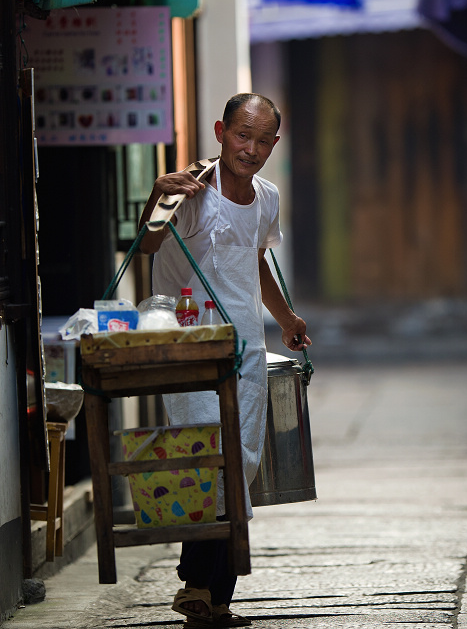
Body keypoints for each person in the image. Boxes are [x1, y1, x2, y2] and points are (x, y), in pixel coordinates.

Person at [137, 93, 311, 627]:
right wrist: (154, 196)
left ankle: (213, 599)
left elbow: (256, 263)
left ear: (274, 144)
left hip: (246, 351)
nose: (250, 148)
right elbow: (146, 246)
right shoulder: (191, 191)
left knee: (240, 467)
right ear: (220, 130)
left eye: (262, 140)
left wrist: (285, 319)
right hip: (190, 347)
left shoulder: (266, 197)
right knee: (203, 461)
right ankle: (196, 587)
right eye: (242, 135)